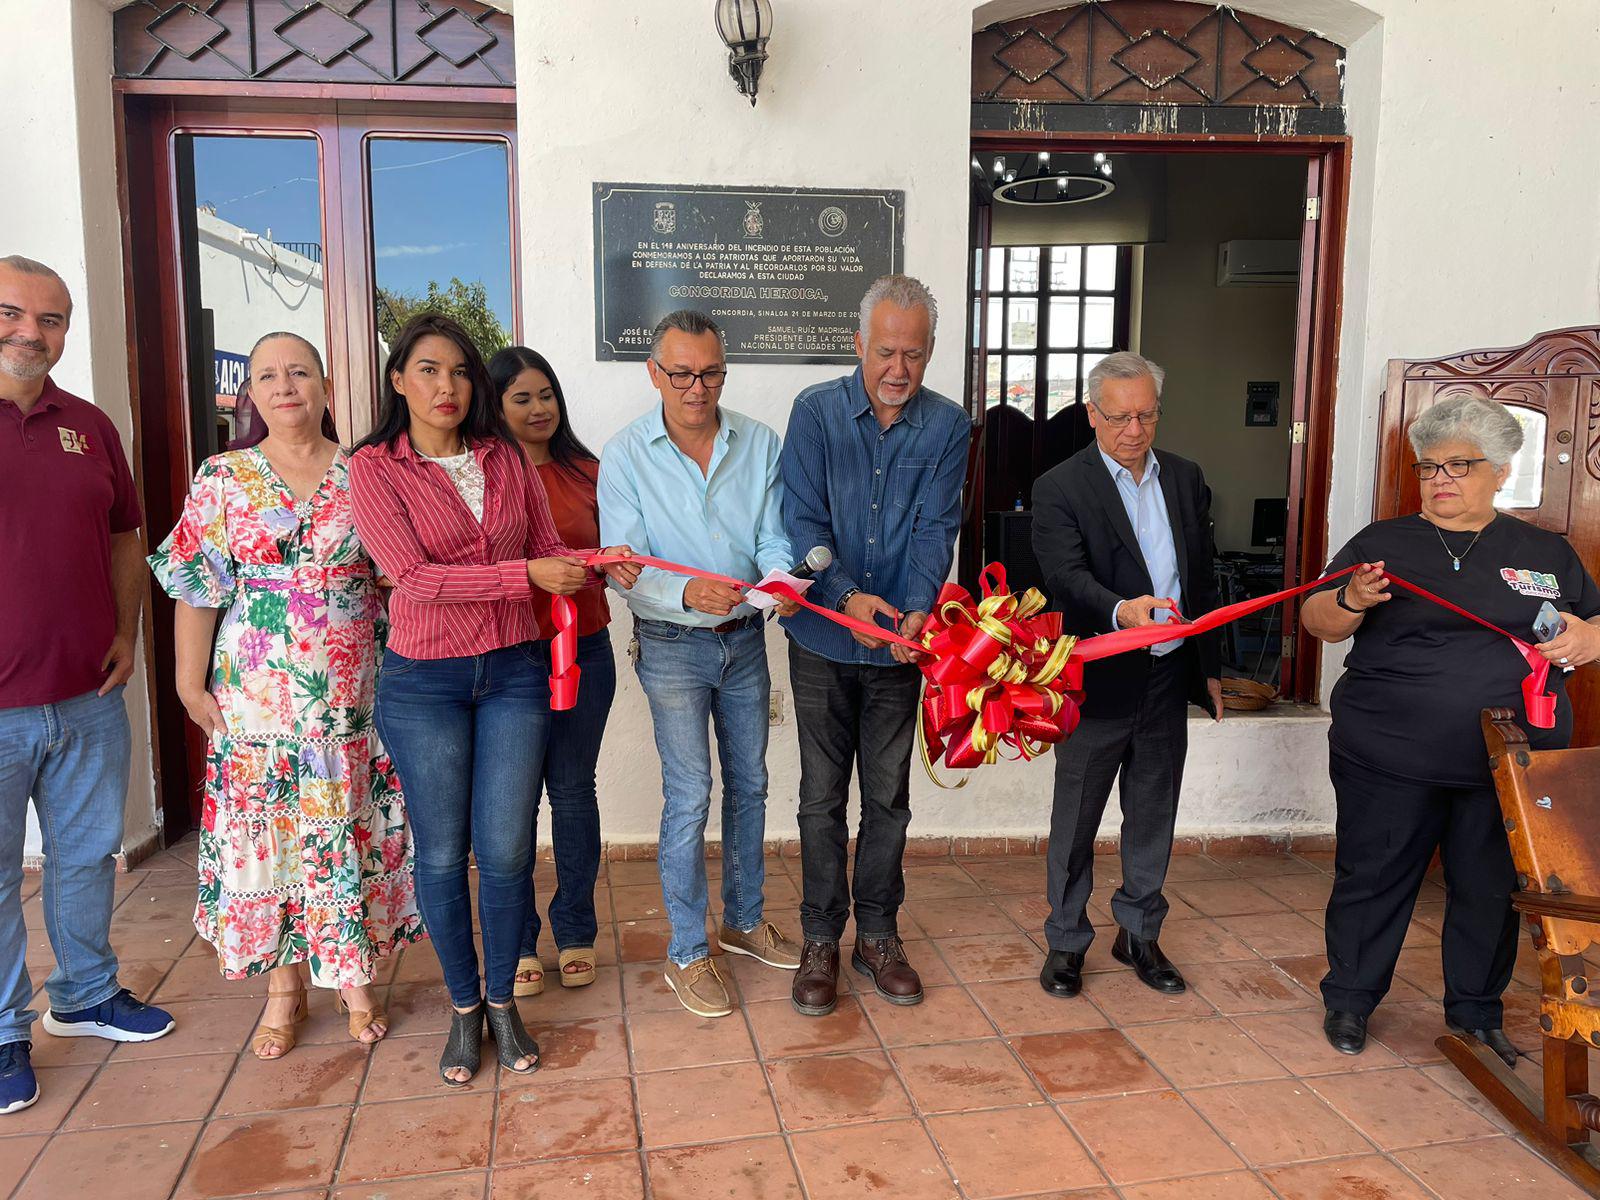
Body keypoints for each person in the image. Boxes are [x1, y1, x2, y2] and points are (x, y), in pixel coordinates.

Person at [349, 313, 640, 1086]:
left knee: (508, 849)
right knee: (444, 854)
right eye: (429, 370)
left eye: (460, 372)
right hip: (425, 683)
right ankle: (464, 1008)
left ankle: (506, 1006)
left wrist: (595, 561)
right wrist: (527, 579)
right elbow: (411, 579)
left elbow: (545, 547)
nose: (447, 387)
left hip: (514, 672)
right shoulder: (375, 467)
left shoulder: (502, 456)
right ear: (398, 380)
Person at [149, 331, 425, 1061]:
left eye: (299, 371)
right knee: (270, 839)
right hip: (256, 699)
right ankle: (284, 985)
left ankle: (353, 978)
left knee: (340, 829)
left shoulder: (366, 473)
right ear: (252, 394)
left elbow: (400, 577)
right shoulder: (223, 478)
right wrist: (187, 680)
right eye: (267, 375)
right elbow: (196, 587)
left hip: (347, 697)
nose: (284, 385)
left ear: (327, 386)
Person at [1301, 394, 1600, 1064]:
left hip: (1510, 762)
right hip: (1388, 753)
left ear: (1499, 470)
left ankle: (1475, 1010)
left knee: (1490, 886)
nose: (1439, 480)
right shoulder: (1383, 544)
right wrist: (1351, 600)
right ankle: (1349, 1000)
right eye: (1428, 468)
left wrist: (1587, 637)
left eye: (1457, 466)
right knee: (1372, 878)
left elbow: (1594, 625)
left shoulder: (1545, 551)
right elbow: (1317, 622)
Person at [0, 255, 175, 1115]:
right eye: (13, 314)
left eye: (52, 319)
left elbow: (124, 533)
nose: (32, 333)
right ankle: (1, 1035)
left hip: (86, 693)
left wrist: (126, 633)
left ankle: (85, 993)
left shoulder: (89, 425)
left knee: (83, 856)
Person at [597, 309, 800, 1019]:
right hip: (674, 646)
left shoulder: (760, 442)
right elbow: (622, 565)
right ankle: (688, 948)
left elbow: (775, 536)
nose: (696, 388)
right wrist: (684, 588)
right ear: (654, 374)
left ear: (724, 372)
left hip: (746, 640)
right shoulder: (623, 456)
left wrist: (779, 584)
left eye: (709, 373)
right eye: (680, 373)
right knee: (690, 796)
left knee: (752, 784)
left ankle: (743, 920)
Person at [779, 275, 970, 1017]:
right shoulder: (815, 413)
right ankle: (821, 939)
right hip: (824, 638)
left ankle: (878, 936)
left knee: (887, 799)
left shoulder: (948, 428)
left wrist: (915, 613)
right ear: (859, 344)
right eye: (886, 351)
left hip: (898, 650)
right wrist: (847, 600)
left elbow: (935, 531)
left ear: (929, 354)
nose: (899, 369)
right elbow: (802, 524)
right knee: (820, 800)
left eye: (914, 355)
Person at [1030, 351, 1223, 1002]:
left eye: (1146, 415)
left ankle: (1139, 932)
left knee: (1152, 813)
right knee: (1077, 819)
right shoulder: (1062, 486)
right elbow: (1063, 574)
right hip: (1098, 676)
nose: (1134, 430)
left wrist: (1210, 670)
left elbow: (1203, 580)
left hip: (1168, 678)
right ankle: (1065, 940)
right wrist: (1121, 612)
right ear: (1091, 414)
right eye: (1118, 417)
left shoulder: (1187, 480)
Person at [491, 347, 612, 996]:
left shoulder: (590, 470)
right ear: (495, 406)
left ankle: (576, 930)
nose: (540, 409)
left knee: (571, 792)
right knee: (511, 805)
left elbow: (623, 542)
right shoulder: (482, 477)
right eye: (522, 398)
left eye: (547, 395)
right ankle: (517, 942)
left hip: (585, 652)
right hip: (509, 659)